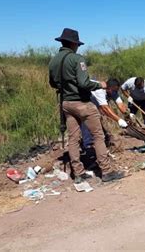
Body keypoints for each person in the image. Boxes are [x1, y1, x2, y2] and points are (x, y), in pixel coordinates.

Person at [49, 28, 125, 183]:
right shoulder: (77, 59)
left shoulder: (54, 61)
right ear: (73, 43)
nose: (78, 47)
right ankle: (107, 171)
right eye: (77, 44)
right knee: (98, 135)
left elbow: (52, 83)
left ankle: (78, 173)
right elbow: (84, 83)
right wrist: (100, 85)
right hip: (82, 103)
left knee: (73, 138)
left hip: (66, 103)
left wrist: (67, 87)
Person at [80, 78, 128, 149]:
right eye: (114, 91)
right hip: (82, 100)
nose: (115, 93)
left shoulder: (113, 91)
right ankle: (88, 145)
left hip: (93, 104)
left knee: (96, 122)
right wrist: (119, 120)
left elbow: (120, 105)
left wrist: (128, 114)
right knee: (86, 122)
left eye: (116, 91)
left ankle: (101, 141)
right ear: (108, 88)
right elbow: (105, 108)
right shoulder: (99, 90)